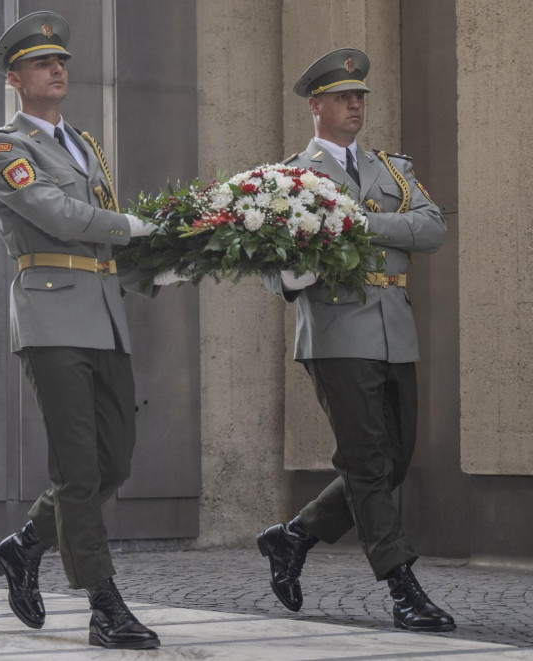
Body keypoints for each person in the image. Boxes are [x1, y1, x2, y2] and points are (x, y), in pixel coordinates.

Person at [0, 11, 184, 651]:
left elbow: (101, 237)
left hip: (104, 318)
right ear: (17, 78)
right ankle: (104, 605)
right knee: (76, 468)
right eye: (43, 63)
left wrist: (167, 267)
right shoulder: (3, 149)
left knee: (112, 462)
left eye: (61, 60)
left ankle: (24, 546)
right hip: (50, 319)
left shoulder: (84, 145)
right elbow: (62, 216)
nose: (58, 69)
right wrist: (136, 227)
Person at [257, 48, 453, 632]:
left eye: (360, 96)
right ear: (316, 105)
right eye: (343, 97)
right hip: (338, 331)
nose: (354, 105)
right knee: (368, 462)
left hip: (395, 329)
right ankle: (402, 587)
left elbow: (432, 228)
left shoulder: (393, 170)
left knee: (394, 460)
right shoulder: (291, 178)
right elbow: (275, 272)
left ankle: (293, 537)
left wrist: (362, 223)